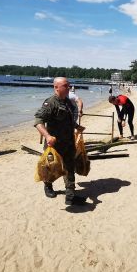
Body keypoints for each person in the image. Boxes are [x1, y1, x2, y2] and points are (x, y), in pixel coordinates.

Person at [35, 77, 86, 206]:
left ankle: (70, 196)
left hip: (68, 143)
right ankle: (48, 186)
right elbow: (38, 122)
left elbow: (68, 120)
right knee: (51, 167)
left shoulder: (68, 102)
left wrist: (76, 126)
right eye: (65, 85)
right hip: (54, 144)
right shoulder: (51, 103)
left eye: (68, 85)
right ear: (56, 87)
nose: (68, 87)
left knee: (70, 168)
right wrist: (47, 136)